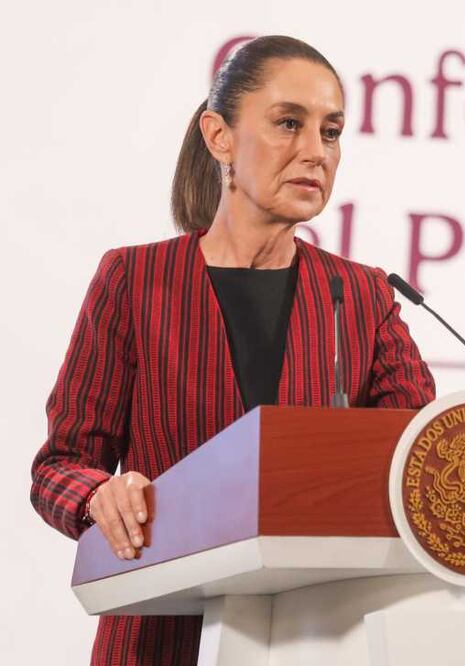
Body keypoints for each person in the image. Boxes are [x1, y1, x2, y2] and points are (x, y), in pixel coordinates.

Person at [29, 35, 436, 665]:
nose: (314, 152)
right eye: (287, 124)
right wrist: (96, 496)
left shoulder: (360, 296)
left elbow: (424, 459)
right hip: (162, 635)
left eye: (330, 132)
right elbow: (60, 464)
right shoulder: (135, 281)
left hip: (317, 638)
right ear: (219, 137)